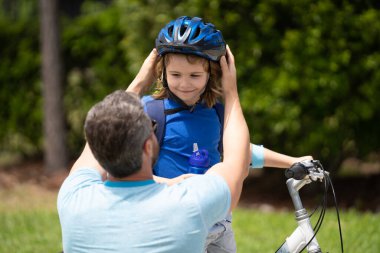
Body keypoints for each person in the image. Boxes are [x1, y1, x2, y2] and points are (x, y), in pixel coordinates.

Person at [127, 16, 312, 252]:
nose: (184, 84)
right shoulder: (151, 110)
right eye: (175, 75)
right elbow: (114, 137)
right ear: (162, 73)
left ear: (212, 75)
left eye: (194, 75)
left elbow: (242, 152)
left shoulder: (215, 113)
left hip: (219, 222)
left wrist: (293, 161)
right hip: (174, 222)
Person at [57, 46, 251, 252]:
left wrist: (140, 81)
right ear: (149, 146)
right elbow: (236, 164)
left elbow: (103, 132)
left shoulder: (74, 197)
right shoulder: (190, 205)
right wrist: (231, 92)